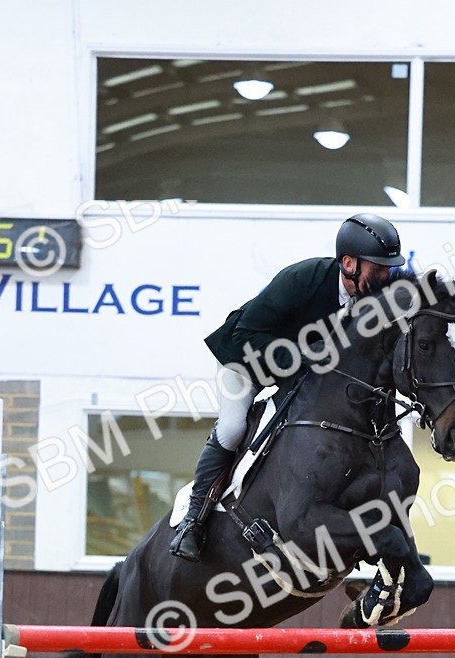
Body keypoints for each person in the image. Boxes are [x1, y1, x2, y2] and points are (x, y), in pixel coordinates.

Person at [169, 212, 406, 561]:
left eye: (389, 268)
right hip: (242, 360)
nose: (386, 276)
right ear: (350, 263)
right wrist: (299, 359)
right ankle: (194, 519)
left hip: (301, 375)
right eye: (379, 268)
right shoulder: (303, 278)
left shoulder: (372, 303)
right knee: (234, 428)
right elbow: (245, 333)